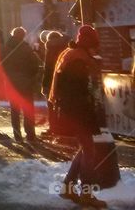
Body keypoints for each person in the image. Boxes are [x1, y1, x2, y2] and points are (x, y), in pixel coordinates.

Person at [49, 25, 108, 208]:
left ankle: (68, 186)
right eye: (94, 44)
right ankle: (87, 193)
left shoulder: (70, 54)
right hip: (79, 111)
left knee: (85, 148)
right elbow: (79, 90)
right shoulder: (79, 60)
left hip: (71, 110)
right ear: (89, 42)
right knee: (89, 151)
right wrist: (91, 110)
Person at [2, 27, 40, 142]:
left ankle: (17, 135)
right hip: (25, 82)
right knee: (28, 109)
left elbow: (1, 65)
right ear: (23, 36)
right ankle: (30, 134)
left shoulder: (5, 48)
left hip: (11, 83)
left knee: (15, 110)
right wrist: (31, 76)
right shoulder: (26, 48)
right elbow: (35, 64)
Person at [42, 30, 70, 136]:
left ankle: (53, 128)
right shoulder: (65, 48)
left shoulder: (49, 48)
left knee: (51, 106)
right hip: (64, 81)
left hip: (51, 82)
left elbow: (48, 69)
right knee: (62, 106)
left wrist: (44, 84)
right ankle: (63, 127)